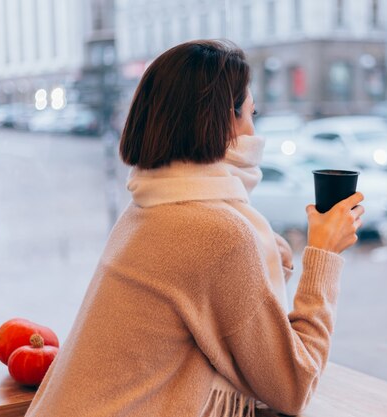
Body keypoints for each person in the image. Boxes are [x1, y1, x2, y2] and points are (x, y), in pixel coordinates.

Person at [25, 40, 365, 417]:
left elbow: (227, 330)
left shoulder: (148, 208)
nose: (256, 131)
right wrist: (324, 254)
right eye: (251, 114)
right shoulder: (219, 233)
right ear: (223, 124)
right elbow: (294, 386)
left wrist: (268, 248)